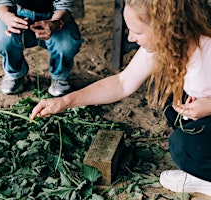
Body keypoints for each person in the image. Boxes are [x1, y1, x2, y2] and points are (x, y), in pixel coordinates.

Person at [31, 0, 211, 196]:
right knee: (169, 99)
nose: (131, 38)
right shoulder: (169, 43)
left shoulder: (207, 48)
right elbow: (122, 83)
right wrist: (64, 101)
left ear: (165, 27)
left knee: (182, 147)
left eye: (138, 32)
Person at [0, 0, 83, 96]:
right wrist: (7, 17)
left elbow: (64, 8)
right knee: (1, 38)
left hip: (54, 17)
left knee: (67, 44)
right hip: (19, 14)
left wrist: (55, 24)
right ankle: (15, 73)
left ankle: (60, 75)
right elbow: (3, 4)